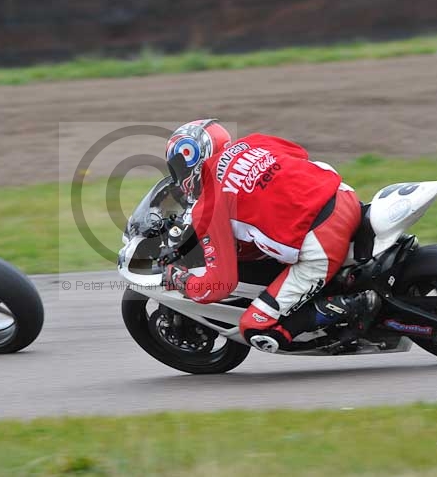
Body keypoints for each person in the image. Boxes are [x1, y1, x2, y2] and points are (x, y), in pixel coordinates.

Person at [162, 120, 379, 353]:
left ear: (190, 163)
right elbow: (300, 154)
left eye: (177, 169)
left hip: (323, 239)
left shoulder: (208, 207)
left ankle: (353, 305)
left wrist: (181, 280)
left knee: (254, 328)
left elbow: (219, 286)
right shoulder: (254, 142)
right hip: (344, 197)